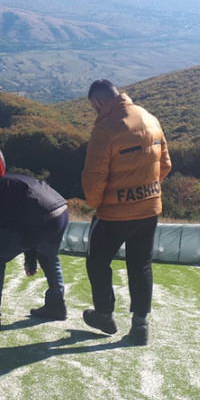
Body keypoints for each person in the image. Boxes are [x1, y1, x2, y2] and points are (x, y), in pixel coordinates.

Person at [81, 79, 171, 345]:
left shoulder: (105, 129)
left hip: (113, 214)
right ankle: (140, 326)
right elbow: (165, 164)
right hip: (150, 208)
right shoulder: (150, 117)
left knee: (97, 262)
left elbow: (93, 178)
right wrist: (145, 191)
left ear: (97, 102)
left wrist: (97, 204)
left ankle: (104, 314)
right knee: (140, 265)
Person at [0, 170, 70, 332]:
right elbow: (23, 218)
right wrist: (30, 260)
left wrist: (30, 258)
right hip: (60, 212)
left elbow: (12, 228)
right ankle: (56, 305)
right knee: (49, 257)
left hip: (39, 218)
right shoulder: (8, 180)